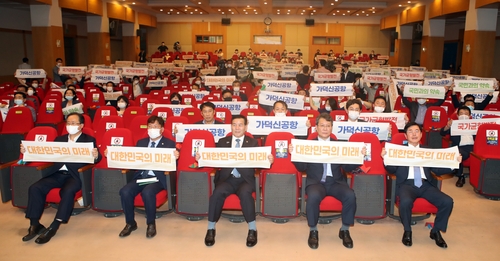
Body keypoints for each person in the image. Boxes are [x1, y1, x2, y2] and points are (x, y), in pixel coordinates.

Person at [21, 113, 101, 244]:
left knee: (68, 191)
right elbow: (46, 154)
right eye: (68, 123)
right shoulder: (59, 139)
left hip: (74, 175)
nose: (70, 126)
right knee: (35, 188)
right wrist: (27, 151)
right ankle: (34, 224)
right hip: (57, 173)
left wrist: (96, 155)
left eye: (74, 123)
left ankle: (54, 225)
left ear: (81, 126)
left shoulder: (89, 140)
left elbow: (96, 159)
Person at [291, 113, 365, 249]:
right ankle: (313, 230)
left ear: (332, 128)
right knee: (313, 197)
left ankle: (344, 230)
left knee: (350, 195)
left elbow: (347, 167)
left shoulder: (340, 146)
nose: (325, 129)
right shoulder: (308, 145)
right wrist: (295, 154)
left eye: (328, 126)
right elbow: (301, 167)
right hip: (316, 183)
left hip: (336, 182)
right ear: (316, 128)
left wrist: (358, 157)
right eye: (322, 125)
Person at [199, 115, 274, 247]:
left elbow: (259, 162)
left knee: (245, 194)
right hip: (227, 179)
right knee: (217, 193)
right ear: (231, 126)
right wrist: (202, 157)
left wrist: (268, 160)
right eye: (234, 124)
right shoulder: (222, 142)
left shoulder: (253, 143)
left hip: (245, 180)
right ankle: (211, 228)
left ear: (245, 127)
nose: (237, 127)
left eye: (240, 125)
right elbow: (214, 159)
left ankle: (252, 229)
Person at [382, 122, 459, 248]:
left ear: (421, 134)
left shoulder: (427, 151)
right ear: (405, 136)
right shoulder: (399, 150)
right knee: (406, 201)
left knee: (447, 201)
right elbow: (391, 169)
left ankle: (435, 231)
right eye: (410, 131)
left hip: (425, 185)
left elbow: (437, 170)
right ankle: (407, 230)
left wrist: (454, 164)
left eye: (416, 131)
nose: (414, 134)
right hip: (406, 184)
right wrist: (386, 158)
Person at [118, 116, 179, 238]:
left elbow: (174, 166)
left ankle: (151, 223)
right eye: (150, 127)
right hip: (141, 177)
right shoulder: (141, 143)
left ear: (161, 129)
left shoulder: (169, 144)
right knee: (125, 191)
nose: (152, 129)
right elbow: (133, 160)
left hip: (157, 179)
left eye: (155, 127)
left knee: (148, 192)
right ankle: (130, 223)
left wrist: (176, 157)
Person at [440, 106, 474, 187]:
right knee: (458, 153)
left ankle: (459, 174)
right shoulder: (453, 124)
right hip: (459, 147)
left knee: (459, 154)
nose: (464, 115)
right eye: (461, 113)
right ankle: (460, 175)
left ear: (469, 116)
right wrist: (448, 126)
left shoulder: (475, 124)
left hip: (472, 147)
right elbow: (442, 133)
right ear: (458, 116)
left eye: (466, 114)